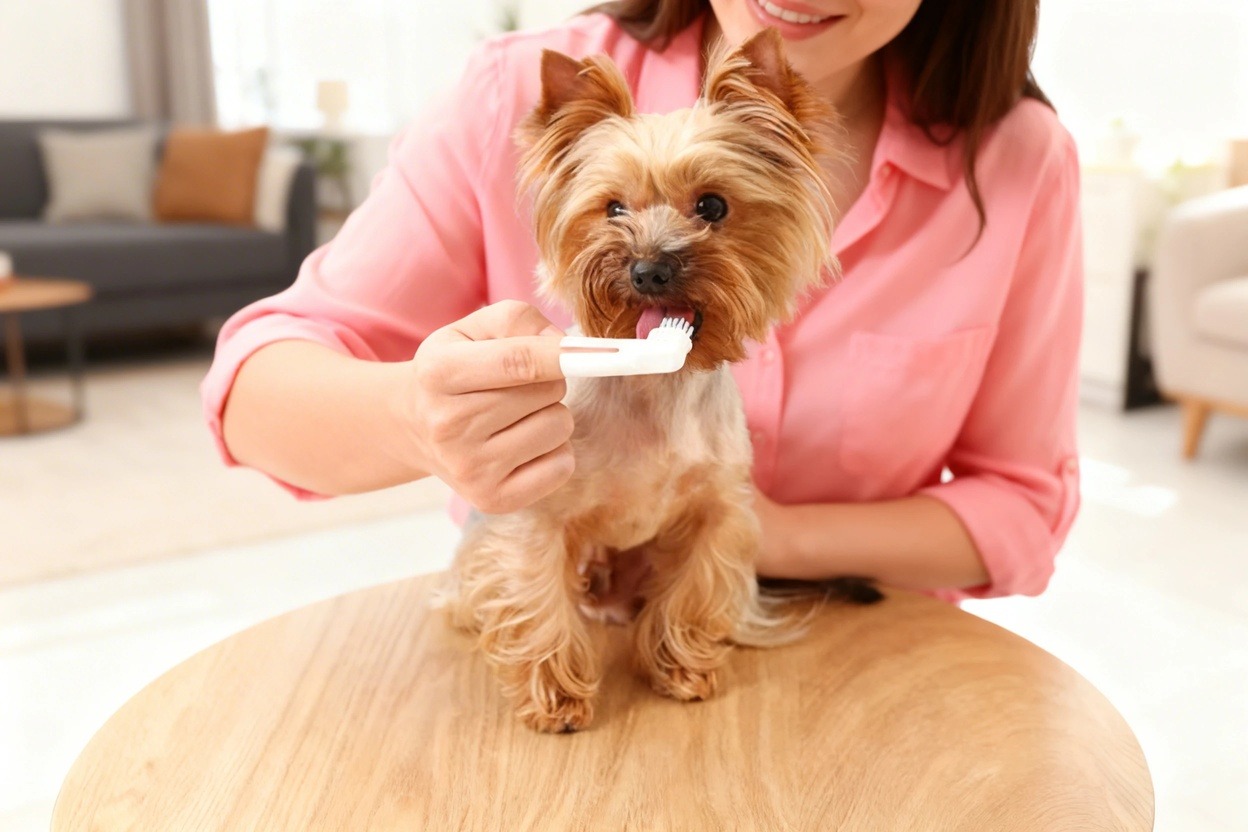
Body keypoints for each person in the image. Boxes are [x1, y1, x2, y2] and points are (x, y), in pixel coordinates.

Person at [203, 0, 1082, 603]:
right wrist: (415, 417)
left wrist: (746, 531)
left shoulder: (1017, 161)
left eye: (711, 209)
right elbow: (252, 392)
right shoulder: (513, 94)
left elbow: (1022, 508)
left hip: (865, 652)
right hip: (565, 621)